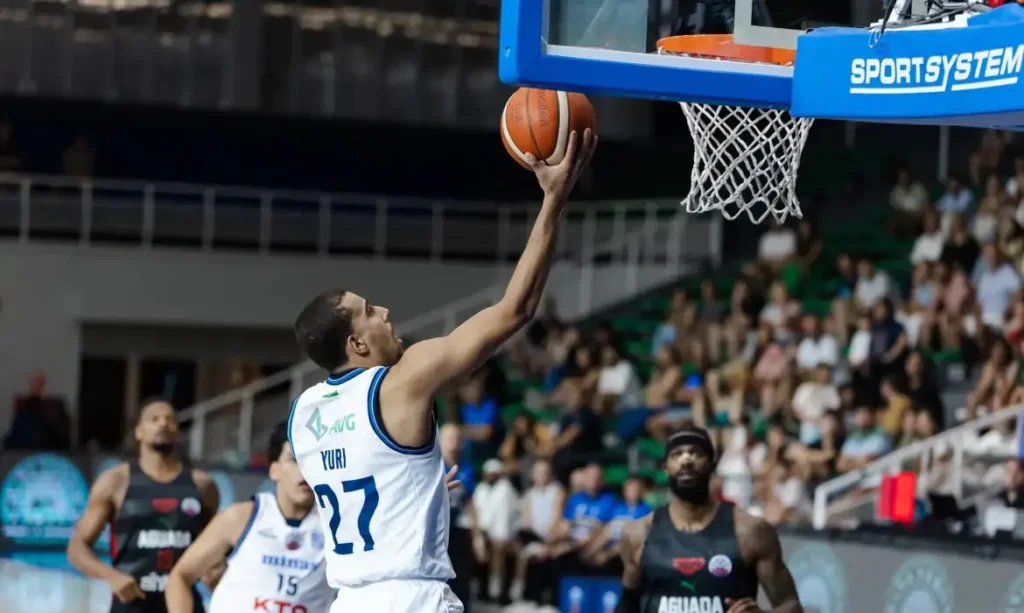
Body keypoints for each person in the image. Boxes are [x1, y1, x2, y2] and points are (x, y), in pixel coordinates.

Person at [287, 129, 597, 613]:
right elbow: (515, 310)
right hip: (410, 597)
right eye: (369, 311)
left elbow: (357, 476)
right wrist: (554, 200)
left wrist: (421, 487)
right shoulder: (400, 381)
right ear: (357, 344)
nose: (385, 312)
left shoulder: (304, 413)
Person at [616, 425, 802, 613]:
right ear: (665, 468)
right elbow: (626, 606)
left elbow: (791, 605)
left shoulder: (751, 531)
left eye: (695, 452)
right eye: (677, 454)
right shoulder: (638, 534)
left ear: (712, 465)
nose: (686, 460)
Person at [67, 398, 220, 613]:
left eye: (170, 419)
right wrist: (111, 576)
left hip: (184, 604)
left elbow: (214, 545)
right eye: (154, 419)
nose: (163, 423)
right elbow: (77, 547)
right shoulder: (115, 482)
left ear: (178, 432)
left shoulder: (203, 485)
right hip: (131, 605)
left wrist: (215, 568)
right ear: (138, 432)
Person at [163, 421, 333, 613]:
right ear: (274, 469)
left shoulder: (337, 528)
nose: (305, 469)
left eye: (313, 459)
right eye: (294, 459)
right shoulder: (241, 517)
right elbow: (180, 576)